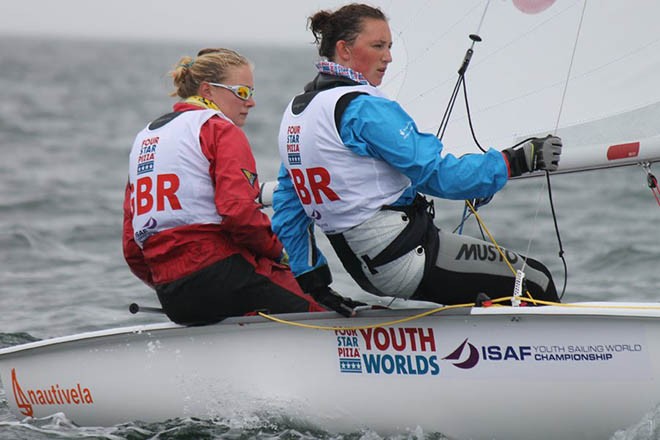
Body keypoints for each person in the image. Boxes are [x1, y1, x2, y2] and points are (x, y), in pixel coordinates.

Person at [271, 4, 563, 311]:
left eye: (390, 47)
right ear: (344, 50)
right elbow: (439, 175)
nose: (389, 57)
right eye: (378, 46)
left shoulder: (297, 114)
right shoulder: (362, 108)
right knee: (534, 280)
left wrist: (316, 285)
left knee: (497, 288)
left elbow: (289, 210)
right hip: (408, 256)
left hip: (366, 270)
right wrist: (513, 161)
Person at [122, 48, 325, 325]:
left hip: (172, 294)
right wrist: (282, 254)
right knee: (318, 306)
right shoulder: (219, 128)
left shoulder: (144, 139)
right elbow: (238, 214)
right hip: (221, 275)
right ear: (208, 90)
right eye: (242, 92)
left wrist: (167, 282)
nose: (251, 102)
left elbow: (132, 246)